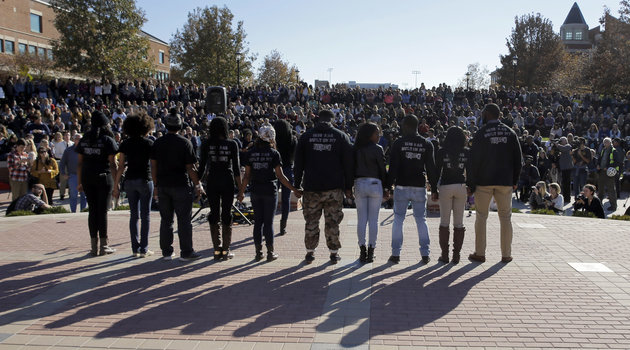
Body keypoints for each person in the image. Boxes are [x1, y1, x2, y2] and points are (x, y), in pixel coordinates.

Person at [294, 109, 353, 264]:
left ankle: (310, 253)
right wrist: (349, 187)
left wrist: (296, 185)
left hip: (311, 187)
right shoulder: (341, 136)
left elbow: (298, 164)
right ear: (332, 120)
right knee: (332, 221)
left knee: (311, 221)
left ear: (318, 119)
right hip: (334, 188)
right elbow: (348, 164)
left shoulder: (306, 137)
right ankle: (334, 253)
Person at [467, 103, 523, 263]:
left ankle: (480, 253)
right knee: (505, 217)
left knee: (481, 216)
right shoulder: (510, 133)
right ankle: (506, 254)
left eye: (483, 113)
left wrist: (471, 184)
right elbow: (518, 159)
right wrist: (515, 180)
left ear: (487, 114)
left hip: (484, 181)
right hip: (505, 181)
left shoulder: (481, 133)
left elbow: (472, 161)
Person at [238, 125, 299, 261]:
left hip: (255, 190)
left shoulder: (251, 153)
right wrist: (294, 189)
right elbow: (281, 176)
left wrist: (241, 193)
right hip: (270, 190)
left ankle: (258, 253)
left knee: (258, 222)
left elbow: (246, 176)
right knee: (268, 222)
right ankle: (270, 253)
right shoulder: (273, 153)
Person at [150, 112, 203, 261]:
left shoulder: (158, 142)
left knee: (166, 220)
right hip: (180, 185)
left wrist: (155, 184)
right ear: (180, 126)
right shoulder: (185, 142)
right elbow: (191, 167)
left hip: (163, 185)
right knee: (184, 220)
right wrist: (197, 184)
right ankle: (186, 252)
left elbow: (153, 166)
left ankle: (166, 251)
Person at [387, 114, 438, 264]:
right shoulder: (426, 144)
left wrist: (388, 185)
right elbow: (431, 168)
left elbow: (393, 167)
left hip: (402, 185)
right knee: (421, 220)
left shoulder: (398, 143)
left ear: (406, 126)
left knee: (398, 219)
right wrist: (434, 188)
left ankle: (395, 254)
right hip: (418, 186)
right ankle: (425, 254)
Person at [198, 117, 242, 261]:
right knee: (227, 213)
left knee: (214, 213)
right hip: (227, 181)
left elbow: (202, 167)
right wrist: (241, 189)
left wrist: (196, 183)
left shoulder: (206, 144)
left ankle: (217, 249)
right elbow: (236, 169)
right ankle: (226, 249)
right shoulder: (232, 144)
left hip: (212, 181)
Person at [76, 111, 118, 256]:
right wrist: (117, 183)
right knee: (102, 211)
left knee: (92, 211)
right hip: (104, 177)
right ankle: (104, 246)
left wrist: (79, 182)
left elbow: (80, 163)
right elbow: (113, 164)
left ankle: (93, 247)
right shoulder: (107, 140)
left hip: (87, 177)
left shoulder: (85, 139)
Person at [113, 112, 155, 258]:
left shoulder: (125, 143)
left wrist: (116, 185)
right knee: (146, 215)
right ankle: (144, 248)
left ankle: (134, 248)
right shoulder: (149, 143)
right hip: (145, 178)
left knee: (134, 216)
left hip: (129, 180)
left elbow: (120, 166)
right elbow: (154, 165)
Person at [352, 122, 387, 263]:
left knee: (361, 219)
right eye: (377, 132)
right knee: (374, 220)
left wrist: (349, 187)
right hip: (375, 184)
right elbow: (382, 170)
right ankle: (371, 250)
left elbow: (351, 168)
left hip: (359, 183)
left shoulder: (356, 149)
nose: (379, 135)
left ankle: (362, 250)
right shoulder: (378, 149)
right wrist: (387, 188)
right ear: (370, 134)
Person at [434, 126, 469, 264]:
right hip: (461, 186)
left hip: (445, 186)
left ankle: (445, 255)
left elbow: (437, 171)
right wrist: (470, 186)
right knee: (459, 223)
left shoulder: (442, 151)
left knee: (444, 221)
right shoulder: (466, 152)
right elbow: (470, 170)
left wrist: (434, 189)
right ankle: (456, 256)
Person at [273, 119, 297, 236]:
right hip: (288, 168)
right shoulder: (292, 140)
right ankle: (283, 226)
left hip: (275, 169)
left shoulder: (274, 140)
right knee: (286, 199)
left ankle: (268, 225)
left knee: (273, 197)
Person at [59, 134, 87, 212]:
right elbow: (62, 163)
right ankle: (73, 212)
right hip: (73, 175)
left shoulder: (86, 150)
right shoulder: (68, 150)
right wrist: (63, 173)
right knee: (73, 195)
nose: (79, 140)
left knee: (84, 196)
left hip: (84, 175)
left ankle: (83, 211)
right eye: (77, 139)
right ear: (74, 140)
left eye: (80, 139)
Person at [597, 137, 622, 212]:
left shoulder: (614, 151)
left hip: (609, 173)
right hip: (601, 171)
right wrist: (598, 165)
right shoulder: (603, 150)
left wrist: (608, 167)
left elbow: (618, 162)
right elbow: (600, 159)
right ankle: (599, 203)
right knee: (600, 189)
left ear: (610, 143)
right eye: (604, 142)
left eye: (606, 142)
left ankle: (613, 206)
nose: (605, 144)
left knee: (611, 189)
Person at [557, 137, 574, 204]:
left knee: (567, 183)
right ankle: (564, 197)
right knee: (564, 183)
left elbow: (563, 149)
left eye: (562, 141)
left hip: (568, 168)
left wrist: (557, 144)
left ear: (565, 141)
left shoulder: (568, 146)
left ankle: (568, 198)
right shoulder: (560, 148)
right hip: (563, 168)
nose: (561, 142)